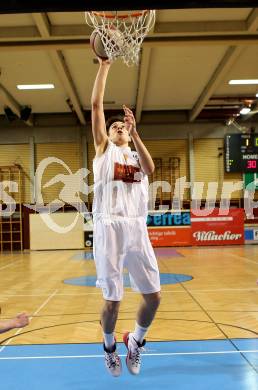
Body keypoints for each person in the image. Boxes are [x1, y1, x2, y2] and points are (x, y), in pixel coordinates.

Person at [91, 58, 161, 377]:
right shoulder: (104, 151)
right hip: (109, 228)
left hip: (136, 229)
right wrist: (104, 66)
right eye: (114, 126)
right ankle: (109, 348)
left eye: (122, 126)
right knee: (112, 303)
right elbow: (95, 105)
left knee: (154, 298)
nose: (118, 127)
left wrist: (136, 132)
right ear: (106, 134)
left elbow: (150, 169)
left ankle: (136, 341)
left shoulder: (135, 157)